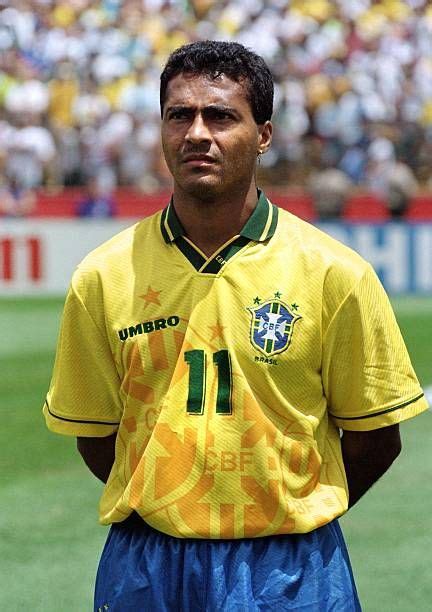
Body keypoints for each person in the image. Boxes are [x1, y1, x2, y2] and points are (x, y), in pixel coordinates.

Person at [43, 41, 429, 611]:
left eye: (221, 115)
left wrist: (285, 513)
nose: (197, 133)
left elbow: (377, 440)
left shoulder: (334, 274)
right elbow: (95, 436)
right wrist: (174, 509)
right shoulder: (102, 277)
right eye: (180, 115)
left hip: (292, 569)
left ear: (264, 135)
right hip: (146, 566)